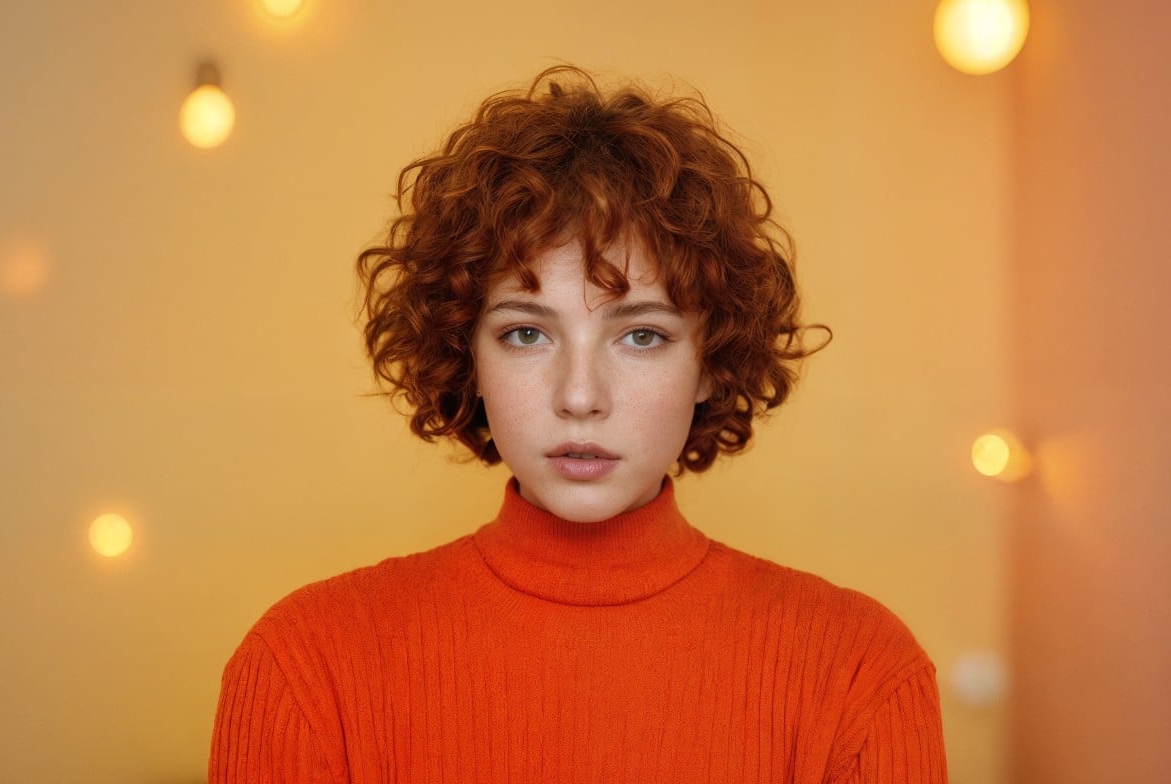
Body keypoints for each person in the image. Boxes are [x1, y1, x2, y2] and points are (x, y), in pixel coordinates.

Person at [209, 66, 947, 783]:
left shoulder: (860, 673)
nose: (581, 395)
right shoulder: (305, 668)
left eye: (642, 335)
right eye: (527, 333)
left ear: (714, 360)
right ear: (464, 351)